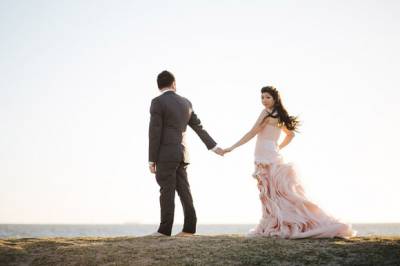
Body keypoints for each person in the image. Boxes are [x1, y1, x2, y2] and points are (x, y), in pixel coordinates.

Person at [223, 86, 356, 238]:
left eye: (267, 97)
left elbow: (252, 132)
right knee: (276, 192)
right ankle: (280, 222)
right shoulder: (279, 115)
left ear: (275, 99)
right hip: (271, 153)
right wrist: (278, 147)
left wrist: (231, 147)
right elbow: (290, 134)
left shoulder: (266, 113)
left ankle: (276, 223)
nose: (264, 101)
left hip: (264, 155)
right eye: (262, 97)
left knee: (270, 193)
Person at [148, 70, 224, 237]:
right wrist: (213, 146)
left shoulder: (157, 102)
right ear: (174, 84)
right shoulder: (186, 103)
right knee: (184, 190)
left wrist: (152, 159)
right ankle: (189, 228)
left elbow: (155, 132)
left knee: (166, 190)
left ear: (158, 86)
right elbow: (198, 127)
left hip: (165, 154)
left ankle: (164, 230)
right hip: (182, 154)